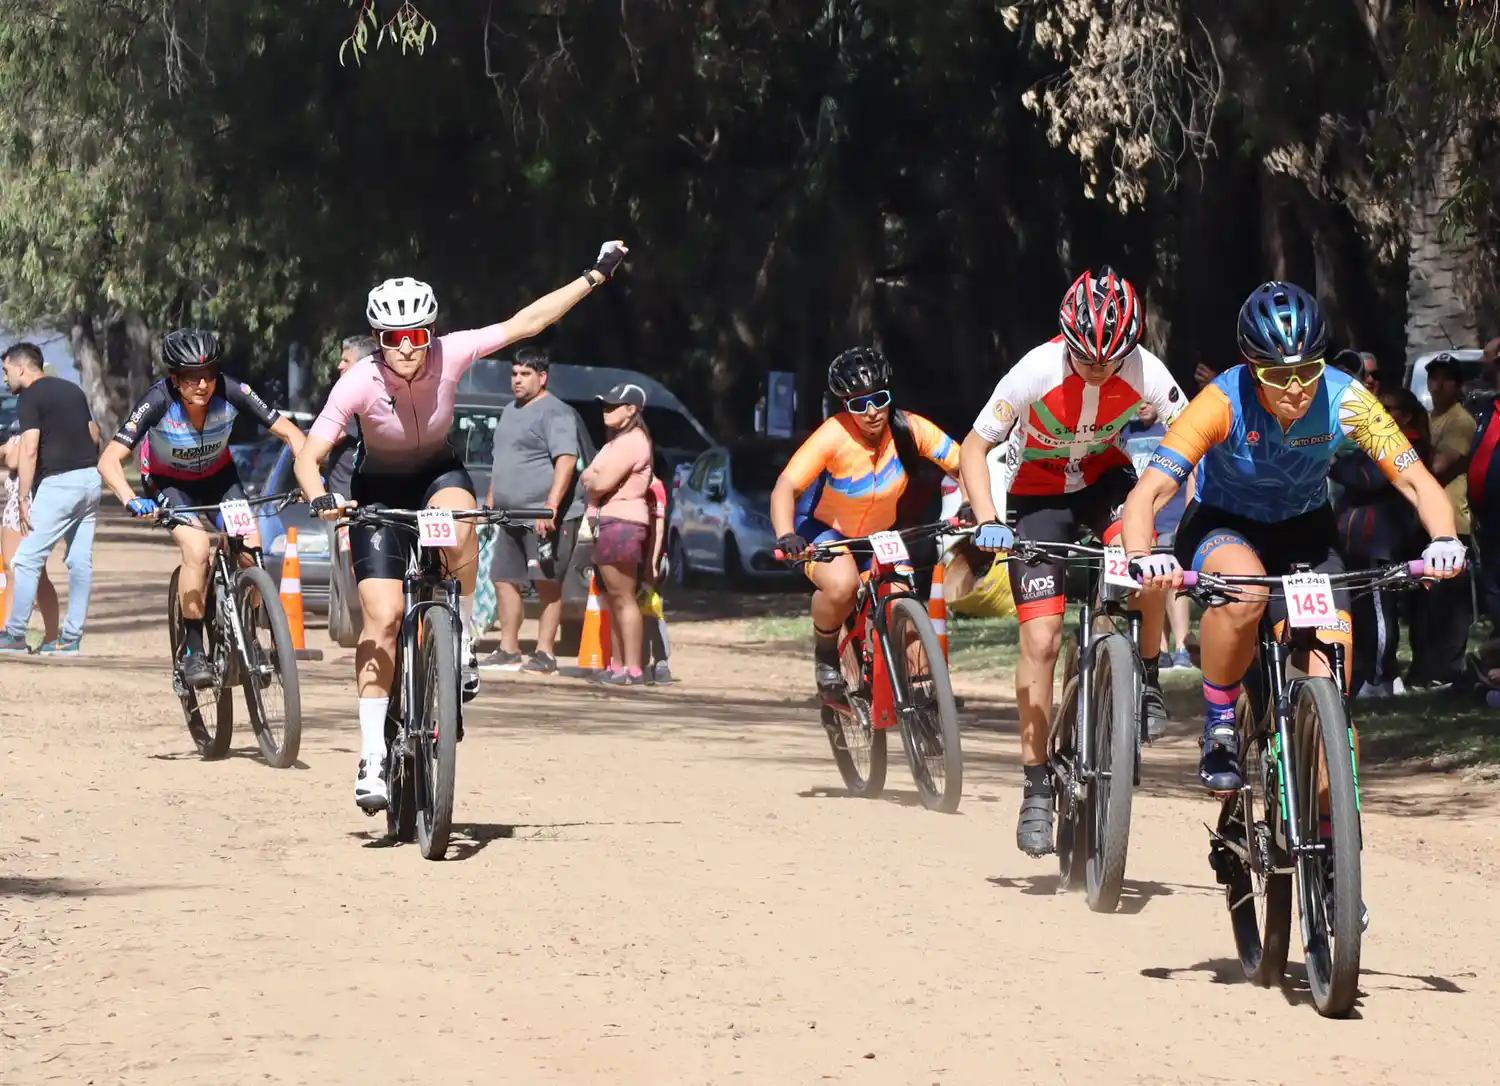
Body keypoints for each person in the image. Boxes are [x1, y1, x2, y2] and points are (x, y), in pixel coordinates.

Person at [294, 241, 628, 811]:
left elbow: (529, 321)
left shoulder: (453, 352)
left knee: (455, 517)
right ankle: (373, 754)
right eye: (394, 339)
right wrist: (322, 495)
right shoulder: (357, 383)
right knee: (385, 615)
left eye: (417, 335)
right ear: (379, 340)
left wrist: (594, 276)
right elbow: (310, 454)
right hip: (377, 491)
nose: (407, 348)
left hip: (436, 474)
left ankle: (463, 636)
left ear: (430, 332)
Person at [1124, 281, 1464, 797]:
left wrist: (1444, 539)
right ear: (1250, 366)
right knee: (1246, 591)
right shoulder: (1222, 401)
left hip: (1305, 532)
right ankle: (1219, 722)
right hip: (1223, 524)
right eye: (1276, 376)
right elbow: (1151, 492)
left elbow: (1417, 479)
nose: (1295, 389)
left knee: (1331, 674)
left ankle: (1324, 828)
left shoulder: (1346, 399)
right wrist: (1141, 556)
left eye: (1306, 372)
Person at [959, 267, 1186, 858]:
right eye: (1086, 358)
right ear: (1066, 339)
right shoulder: (1035, 369)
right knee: (1042, 639)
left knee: (1151, 564)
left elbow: (1192, 438)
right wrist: (986, 518)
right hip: (1035, 494)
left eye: (1112, 360)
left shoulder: (1145, 372)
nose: (1099, 369)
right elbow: (974, 448)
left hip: (1105, 482)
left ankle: (1151, 681)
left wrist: (1191, 506)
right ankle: (1036, 786)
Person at [98, 329, 306, 686]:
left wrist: (307, 480)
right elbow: (109, 461)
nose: (203, 385)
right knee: (197, 548)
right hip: (169, 483)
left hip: (219, 478)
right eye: (192, 378)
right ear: (174, 379)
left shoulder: (232, 390)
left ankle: (249, 634)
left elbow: (292, 434)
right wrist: (131, 499)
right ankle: (194, 647)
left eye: (209, 374)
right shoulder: (157, 399)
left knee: (250, 542)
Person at [771, 348, 962, 696]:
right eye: (858, 404)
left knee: (905, 604)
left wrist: (978, 508)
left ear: (890, 396)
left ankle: (924, 702)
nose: (871, 412)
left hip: (879, 535)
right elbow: (786, 487)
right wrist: (786, 534)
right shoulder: (833, 435)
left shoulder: (910, 429)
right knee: (842, 586)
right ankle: (826, 653)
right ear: (845, 405)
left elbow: (966, 466)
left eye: (879, 399)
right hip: (822, 530)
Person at [481, 346, 587, 675]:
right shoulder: (510, 410)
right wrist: (491, 498)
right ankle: (509, 649)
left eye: (525, 374)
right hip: (510, 515)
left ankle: (545, 654)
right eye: (514, 374)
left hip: (543, 517)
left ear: (542, 377)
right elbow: (504, 459)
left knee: (546, 582)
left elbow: (567, 460)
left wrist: (551, 506)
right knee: (503, 578)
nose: (517, 380)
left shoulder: (556, 412)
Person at [0, 343, 102, 656]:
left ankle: (14, 634)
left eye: (6, 371)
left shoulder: (30, 396)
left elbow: (29, 449)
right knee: (79, 562)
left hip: (60, 484)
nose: (5, 379)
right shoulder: (73, 390)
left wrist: (22, 496)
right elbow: (94, 434)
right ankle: (70, 640)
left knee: (26, 560)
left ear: (20, 368)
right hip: (90, 480)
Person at [1330, 388, 1428, 697]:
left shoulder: (1405, 445)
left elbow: (1369, 478)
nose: (1383, 412)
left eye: (1390, 408)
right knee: (1361, 612)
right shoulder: (1376, 441)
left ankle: (1378, 678)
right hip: (1357, 543)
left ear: (1406, 415)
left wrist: (1330, 460)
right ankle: (1366, 674)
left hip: (1378, 542)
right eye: (1379, 407)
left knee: (1379, 614)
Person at [1407, 353, 1477, 688]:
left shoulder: (1460, 421)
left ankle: (1447, 669)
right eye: (1434, 378)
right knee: (1424, 602)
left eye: (1446, 379)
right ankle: (1424, 667)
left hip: (1453, 524)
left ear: (1458, 385)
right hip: (1425, 524)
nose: (1438, 385)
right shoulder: (1430, 418)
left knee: (1448, 602)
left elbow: (1438, 467)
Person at [580, 382, 655, 687]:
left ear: (631, 410)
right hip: (611, 522)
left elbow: (596, 482)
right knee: (614, 597)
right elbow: (589, 474)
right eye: (605, 405)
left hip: (623, 523)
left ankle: (632, 667)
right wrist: (593, 477)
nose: (606, 411)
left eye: (613, 406)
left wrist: (594, 478)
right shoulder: (615, 443)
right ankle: (618, 664)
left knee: (623, 597)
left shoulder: (631, 442)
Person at [1122, 402, 1192, 669]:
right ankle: (1159, 648)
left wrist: (1187, 517)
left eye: (1147, 399)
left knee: (1175, 581)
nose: (1141, 405)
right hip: (1139, 522)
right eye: (1136, 400)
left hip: (1170, 518)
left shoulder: (1173, 429)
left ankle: (1183, 645)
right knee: (1151, 583)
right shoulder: (1127, 432)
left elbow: (1193, 474)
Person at [2, 420, 59, 645]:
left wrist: (12, 445)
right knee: (10, 570)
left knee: (27, 572)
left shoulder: (34, 444)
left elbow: (13, 460)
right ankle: (10, 629)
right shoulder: (18, 441)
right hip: (13, 511)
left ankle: (14, 633)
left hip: (28, 509)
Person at [325, 335, 375, 502]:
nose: (340, 366)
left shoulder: (356, 405)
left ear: (364, 366)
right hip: (344, 506)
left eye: (346, 361)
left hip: (352, 508)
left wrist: (296, 439)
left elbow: (327, 439)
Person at [642, 471, 673, 683]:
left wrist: (651, 563)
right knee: (637, 611)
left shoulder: (654, 487)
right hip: (630, 555)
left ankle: (661, 663)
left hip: (652, 558)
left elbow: (658, 528)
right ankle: (640, 662)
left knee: (652, 609)